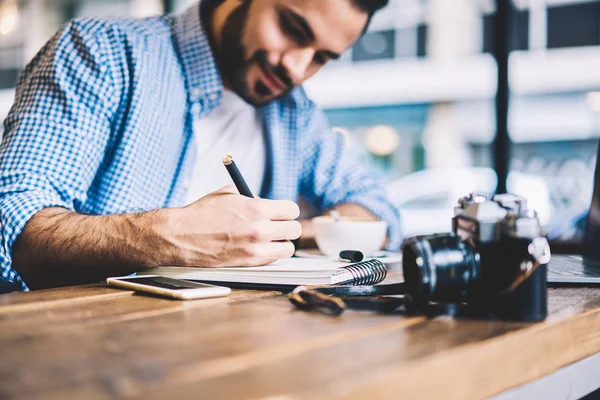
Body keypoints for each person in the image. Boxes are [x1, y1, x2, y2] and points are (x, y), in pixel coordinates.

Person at [0, 0, 401, 292]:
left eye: (322, 58)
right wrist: (163, 237)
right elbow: (12, 223)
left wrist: (283, 233)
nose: (297, 68)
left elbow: (377, 208)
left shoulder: (293, 112)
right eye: (293, 29)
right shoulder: (103, 52)